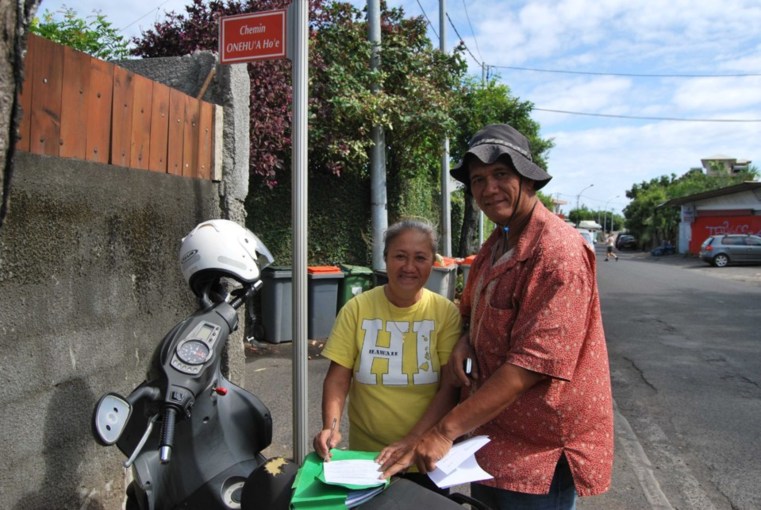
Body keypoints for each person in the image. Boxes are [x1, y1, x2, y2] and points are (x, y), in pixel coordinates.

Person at [378, 124, 614, 509]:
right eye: (478, 180)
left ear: (527, 179)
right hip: (489, 442)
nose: (488, 189)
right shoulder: (497, 242)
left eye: (501, 175)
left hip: (538, 453)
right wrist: (464, 339)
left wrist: (443, 431)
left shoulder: (559, 254)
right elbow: (471, 310)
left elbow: (530, 366)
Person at [312, 219, 462, 493]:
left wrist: (413, 440)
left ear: (432, 263)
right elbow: (338, 379)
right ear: (385, 259)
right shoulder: (357, 308)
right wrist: (330, 427)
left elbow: (449, 386)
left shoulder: (445, 313)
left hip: (425, 457)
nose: (409, 267)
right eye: (400, 256)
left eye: (420, 258)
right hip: (368, 459)